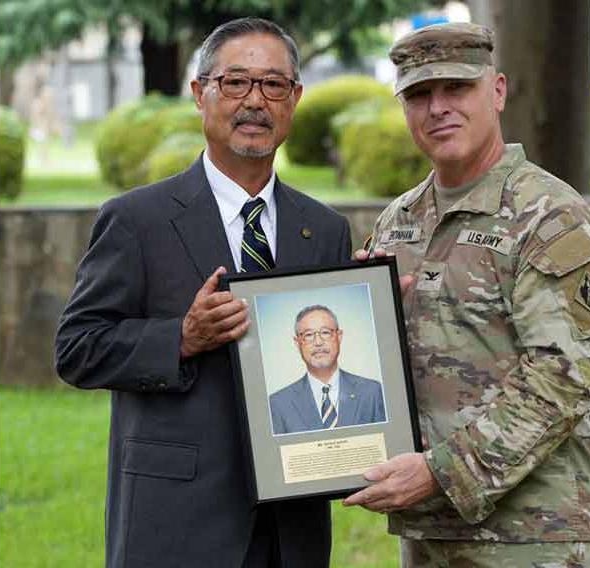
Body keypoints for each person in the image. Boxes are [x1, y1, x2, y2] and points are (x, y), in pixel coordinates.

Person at [55, 17, 352, 568]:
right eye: (236, 82)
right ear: (200, 93)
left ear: (295, 98)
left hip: (291, 530)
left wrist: (373, 316)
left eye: (273, 85)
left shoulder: (325, 227)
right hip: (175, 521)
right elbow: (77, 349)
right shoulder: (135, 219)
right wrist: (181, 338)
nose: (255, 101)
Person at [343, 22, 590, 567]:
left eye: (456, 88)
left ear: (497, 91)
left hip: (531, 532)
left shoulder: (549, 215)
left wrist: (441, 472)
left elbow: (558, 377)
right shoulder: (400, 221)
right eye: (419, 94)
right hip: (429, 531)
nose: (437, 107)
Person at [269, 305, 386, 434]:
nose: (318, 342)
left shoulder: (372, 392)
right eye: (308, 335)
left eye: (325, 332)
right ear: (297, 343)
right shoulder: (279, 403)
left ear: (339, 336)